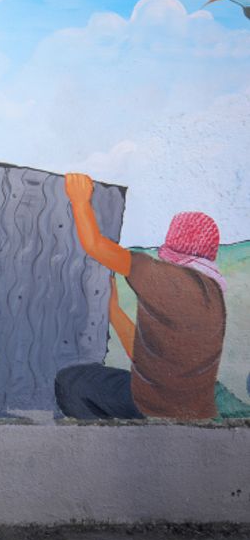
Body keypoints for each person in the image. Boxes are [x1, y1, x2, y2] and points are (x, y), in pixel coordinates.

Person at [56, 173, 226, 420]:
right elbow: (148, 356)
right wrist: (114, 312)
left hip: (153, 407)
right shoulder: (213, 295)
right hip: (195, 410)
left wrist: (80, 199)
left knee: (70, 382)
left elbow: (95, 246)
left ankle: (105, 444)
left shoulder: (166, 278)